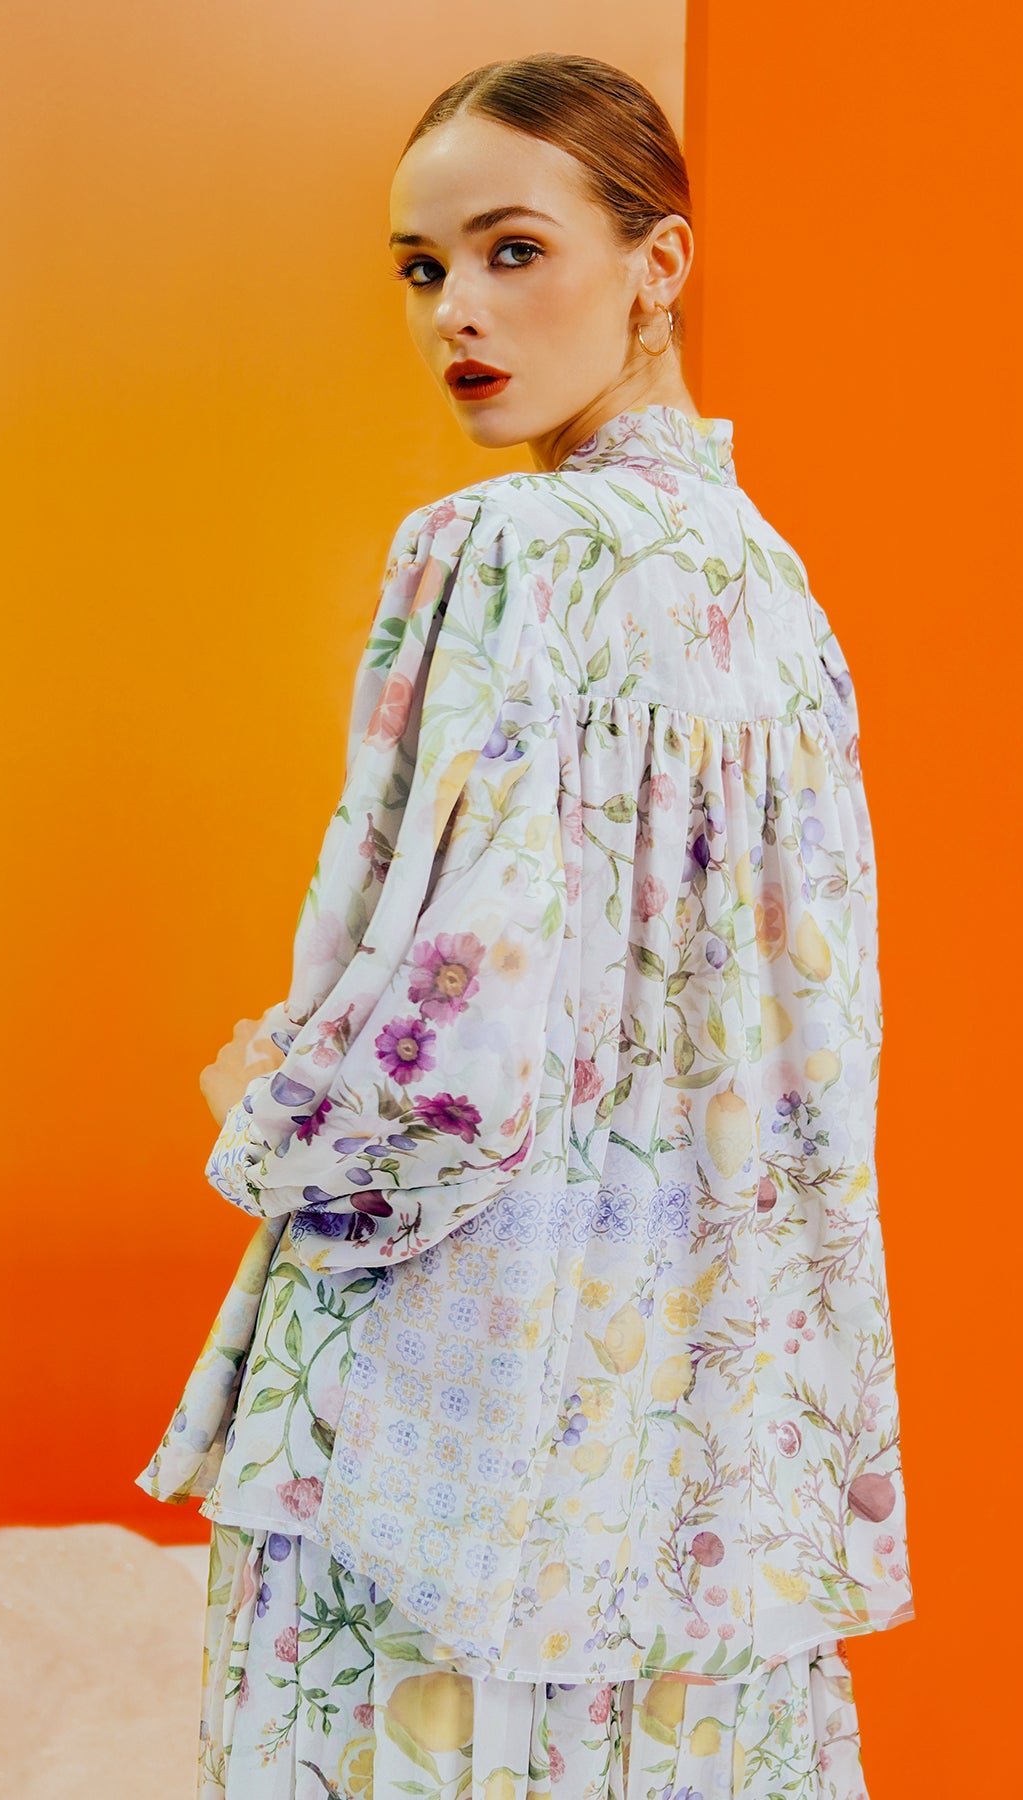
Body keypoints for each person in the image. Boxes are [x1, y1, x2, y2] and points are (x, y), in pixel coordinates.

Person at [138, 51, 914, 1799]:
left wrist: (273, 1121)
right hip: (714, 1424)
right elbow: (822, 1037)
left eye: (512, 251)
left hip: (464, 1402)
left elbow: (449, 1059)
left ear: (660, 262)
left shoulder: (499, 549)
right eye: (423, 270)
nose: (456, 315)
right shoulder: (779, 594)